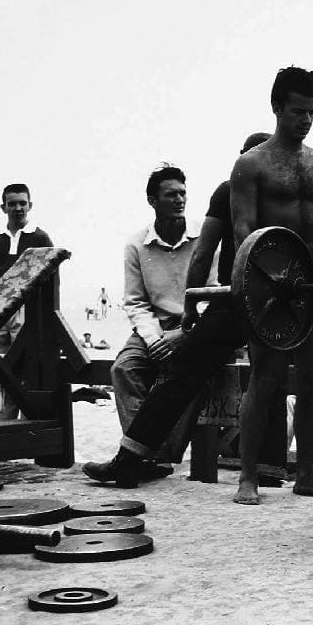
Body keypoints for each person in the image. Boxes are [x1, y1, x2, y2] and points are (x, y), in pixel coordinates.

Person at [84, 134, 290, 489]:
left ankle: (134, 458)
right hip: (246, 303)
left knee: (199, 373)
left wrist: (191, 315)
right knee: (256, 373)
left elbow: (205, 255)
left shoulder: (250, 192)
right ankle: (141, 457)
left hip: (244, 302)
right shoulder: (240, 193)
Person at [230, 66, 313, 504]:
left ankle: (306, 474)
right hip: (269, 286)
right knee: (266, 378)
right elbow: (246, 234)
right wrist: (252, 291)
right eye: (298, 111)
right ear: (277, 108)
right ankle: (247, 477)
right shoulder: (251, 165)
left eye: (312, 112)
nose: (306, 119)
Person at [110, 165, 199, 453]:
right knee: (124, 369)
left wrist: (186, 333)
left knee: (184, 377)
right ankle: (143, 453)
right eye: (171, 194)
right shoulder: (136, 245)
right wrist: (153, 338)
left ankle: (160, 455)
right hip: (155, 329)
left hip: (194, 326)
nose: (179, 200)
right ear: (152, 200)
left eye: (183, 193)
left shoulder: (204, 239)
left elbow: (212, 294)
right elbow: (135, 301)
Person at [0, 183, 54, 421]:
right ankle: (0, 423)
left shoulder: (40, 236)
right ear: (4, 207)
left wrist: (50, 316)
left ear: (30, 205)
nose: (18, 208)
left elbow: (53, 279)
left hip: (27, 311)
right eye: (12, 203)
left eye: (22, 203)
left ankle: (26, 423)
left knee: (25, 366)